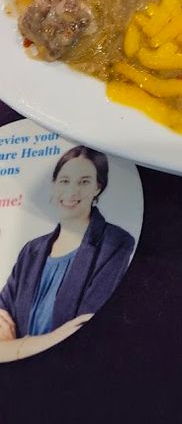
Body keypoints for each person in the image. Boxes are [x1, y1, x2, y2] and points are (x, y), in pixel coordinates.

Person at [0, 145, 134, 362]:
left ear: (98, 188)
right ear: (54, 185)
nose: (72, 192)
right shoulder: (31, 250)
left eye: (84, 182)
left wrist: (11, 348)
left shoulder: (116, 244)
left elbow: (85, 331)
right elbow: (2, 311)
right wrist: (47, 340)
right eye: (64, 181)